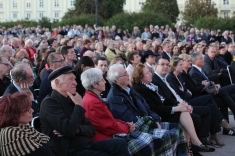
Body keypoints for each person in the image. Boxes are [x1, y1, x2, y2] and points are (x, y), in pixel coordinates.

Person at [40, 66, 129, 156]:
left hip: (85, 144)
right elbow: (69, 130)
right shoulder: (49, 103)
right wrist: (78, 106)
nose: (75, 83)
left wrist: (78, 129)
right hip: (69, 150)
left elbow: (91, 129)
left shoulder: (72, 99)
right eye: (71, 80)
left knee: (120, 143)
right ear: (57, 82)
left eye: (75, 79)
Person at [132, 63, 215, 154]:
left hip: (165, 111)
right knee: (186, 114)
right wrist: (175, 109)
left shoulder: (149, 85)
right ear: (140, 76)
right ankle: (193, 146)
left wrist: (180, 105)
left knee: (185, 111)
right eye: (147, 73)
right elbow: (154, 108)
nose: (151, 74)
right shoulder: (139, 89)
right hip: (159, 116)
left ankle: (189, 149)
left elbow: (165, 100)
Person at [106, 64, 188, 156]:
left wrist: (156, 119)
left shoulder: (130, 89)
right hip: (137, 128)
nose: (128, 75)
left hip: (148, 121)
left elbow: (147, 108)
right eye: (125, 74)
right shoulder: (115, 97)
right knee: (165, 135)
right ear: (117, 79)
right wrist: (152, 123)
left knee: (177, 128)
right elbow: (130, 118)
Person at [166, 56, 235, 145]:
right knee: (211, 97)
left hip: (189, 98)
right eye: (180, 65)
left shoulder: (180, 76)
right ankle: (221, 121)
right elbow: (183, 94)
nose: (182, 66)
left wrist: (188, 91)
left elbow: (186, 90)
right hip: (185, 102)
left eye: (183, 64)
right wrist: (188, 92)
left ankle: (210, 135)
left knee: (211, 105)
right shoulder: (172, 77)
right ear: (174, 66)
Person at [0, 92, 54, 156]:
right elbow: (46, 153)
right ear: (15, 114)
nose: (32, 111)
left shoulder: (24, 127)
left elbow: (51, 145)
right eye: (28, 110)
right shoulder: (11, 132)